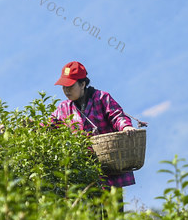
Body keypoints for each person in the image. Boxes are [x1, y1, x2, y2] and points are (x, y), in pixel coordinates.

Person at [48, 61, 139, 210]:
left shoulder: (102, 98)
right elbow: (50, 126)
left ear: (82, 84)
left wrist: (126, 126)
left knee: (114, 213)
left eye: (70, 86)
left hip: (109, 167)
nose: (66, 90)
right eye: (64, 86)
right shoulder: (64, 108)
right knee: (92, 214)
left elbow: (117, 116)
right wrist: (32, 127)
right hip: (84, 171)